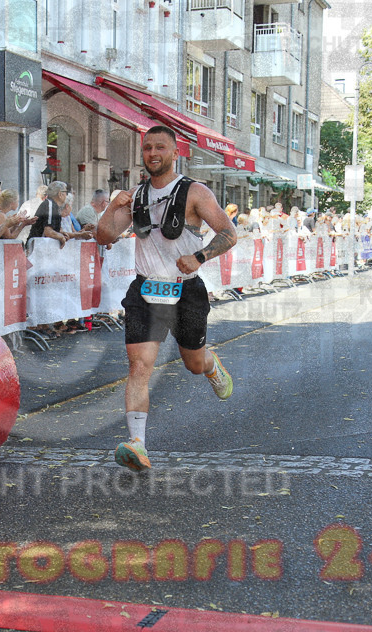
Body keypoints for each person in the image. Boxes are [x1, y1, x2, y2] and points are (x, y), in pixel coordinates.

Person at [95, 125, 236, 472]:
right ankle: (137, 444)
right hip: (146, 290)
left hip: (186, 289)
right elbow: (105, 235)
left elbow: (229, 233)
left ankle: (211, 364)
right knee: (139, 366)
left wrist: (200, 257)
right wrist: (114, 204)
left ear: (175, 153)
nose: (153, 153)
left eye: (160, 147)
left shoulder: (195, 192)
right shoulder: (135, 196)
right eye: (147, 148)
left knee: (193, 363)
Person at [27, 181, 69, 247]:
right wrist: (61, 237)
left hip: (42, 247)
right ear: (60, 194)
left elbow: (52, 229)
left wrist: (61, 233)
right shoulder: (50, 205)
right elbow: (48, 231)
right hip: (37, 247)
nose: (66, 195)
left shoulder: (54, 206)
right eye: (66, 192)